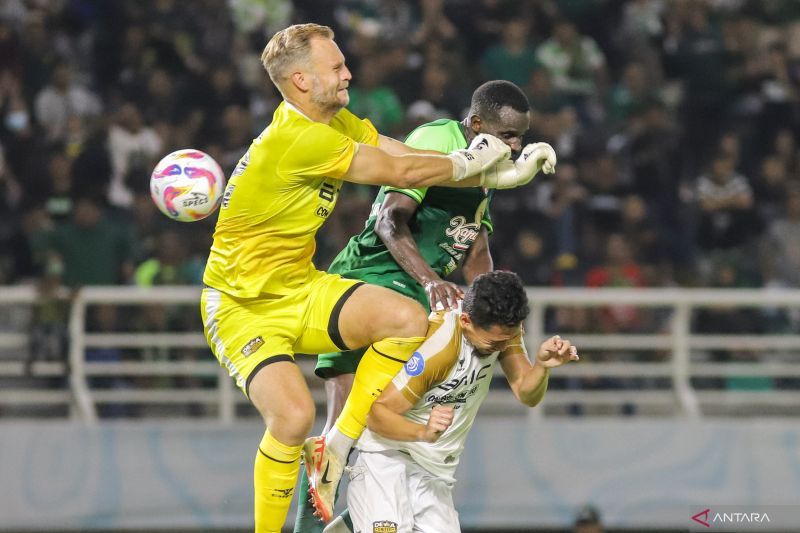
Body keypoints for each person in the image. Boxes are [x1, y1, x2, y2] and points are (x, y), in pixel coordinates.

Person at [199, 23, 557, 532]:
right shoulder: (296, 139)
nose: (349, 72)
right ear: (301, 80)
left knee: (405, 319)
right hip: (240, 305)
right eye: (336, 67)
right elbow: (403, 175)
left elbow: (397, 151)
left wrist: (501, 173)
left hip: (300, 288)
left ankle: (335, 450)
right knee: (293, 417)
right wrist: (474, 161)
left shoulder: (335, 122)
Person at [295, 79, 541, 533]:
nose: (516, 145)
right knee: (344, 426)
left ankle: (354, 520)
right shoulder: (438, 139)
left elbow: (474, 243)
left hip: (419, 292)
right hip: (371, 276)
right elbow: (390, 220)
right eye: (508, 135)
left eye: (521, 136)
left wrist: (489, 295)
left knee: (388, 422)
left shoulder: (486, 170)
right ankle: (314, 524)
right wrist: (430, 281)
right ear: (477, 123)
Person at [323, 271, 579, 533]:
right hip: (388, 459)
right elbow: (376, 416)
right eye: (495, 343)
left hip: (436, 474)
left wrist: (541, 366)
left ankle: (353, 524)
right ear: (466, 321)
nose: (502, 349)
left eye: (508, 340)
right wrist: (423, 432)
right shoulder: (441, 346)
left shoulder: (502, 331)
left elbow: (527, 393)